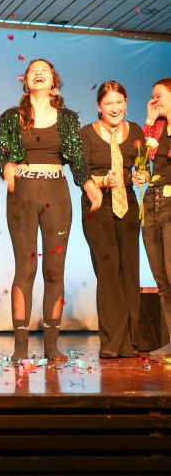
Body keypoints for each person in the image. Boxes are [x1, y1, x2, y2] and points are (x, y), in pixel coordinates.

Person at [0, 59, 102, 363]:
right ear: (25, 81)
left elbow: (77, 159)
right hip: (23, 195)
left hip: (56, 194)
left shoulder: (67, 118)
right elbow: (1, 153)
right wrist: (6, 166)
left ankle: (52, 346)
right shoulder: (10, 117)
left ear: (54, 82)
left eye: (45, 70)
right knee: (25, 270)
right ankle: (20, 347)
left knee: (54, 270)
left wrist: (88, 185)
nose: (39, 73)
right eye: (33, 70)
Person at [80, 81, 144, 358]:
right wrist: (103, 181)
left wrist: (140, 175)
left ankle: (131, 341)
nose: (114, 108)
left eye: (119, 102)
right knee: (108, 272)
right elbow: (81, 174)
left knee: (129, 271)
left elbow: (140, 165)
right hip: (98, 206)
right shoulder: (87, 133)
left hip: (128, 204)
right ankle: (111, 342)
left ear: (126, 103)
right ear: (99, 106)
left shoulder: (136, 131)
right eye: (108, 103)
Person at [142, 77, 171, 356]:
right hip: (153, 199)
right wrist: (150, 120)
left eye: (160, 95)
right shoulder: (158, 127)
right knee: (162, 278)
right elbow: (144, 156)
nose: (155, 100)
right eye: (153, 96)